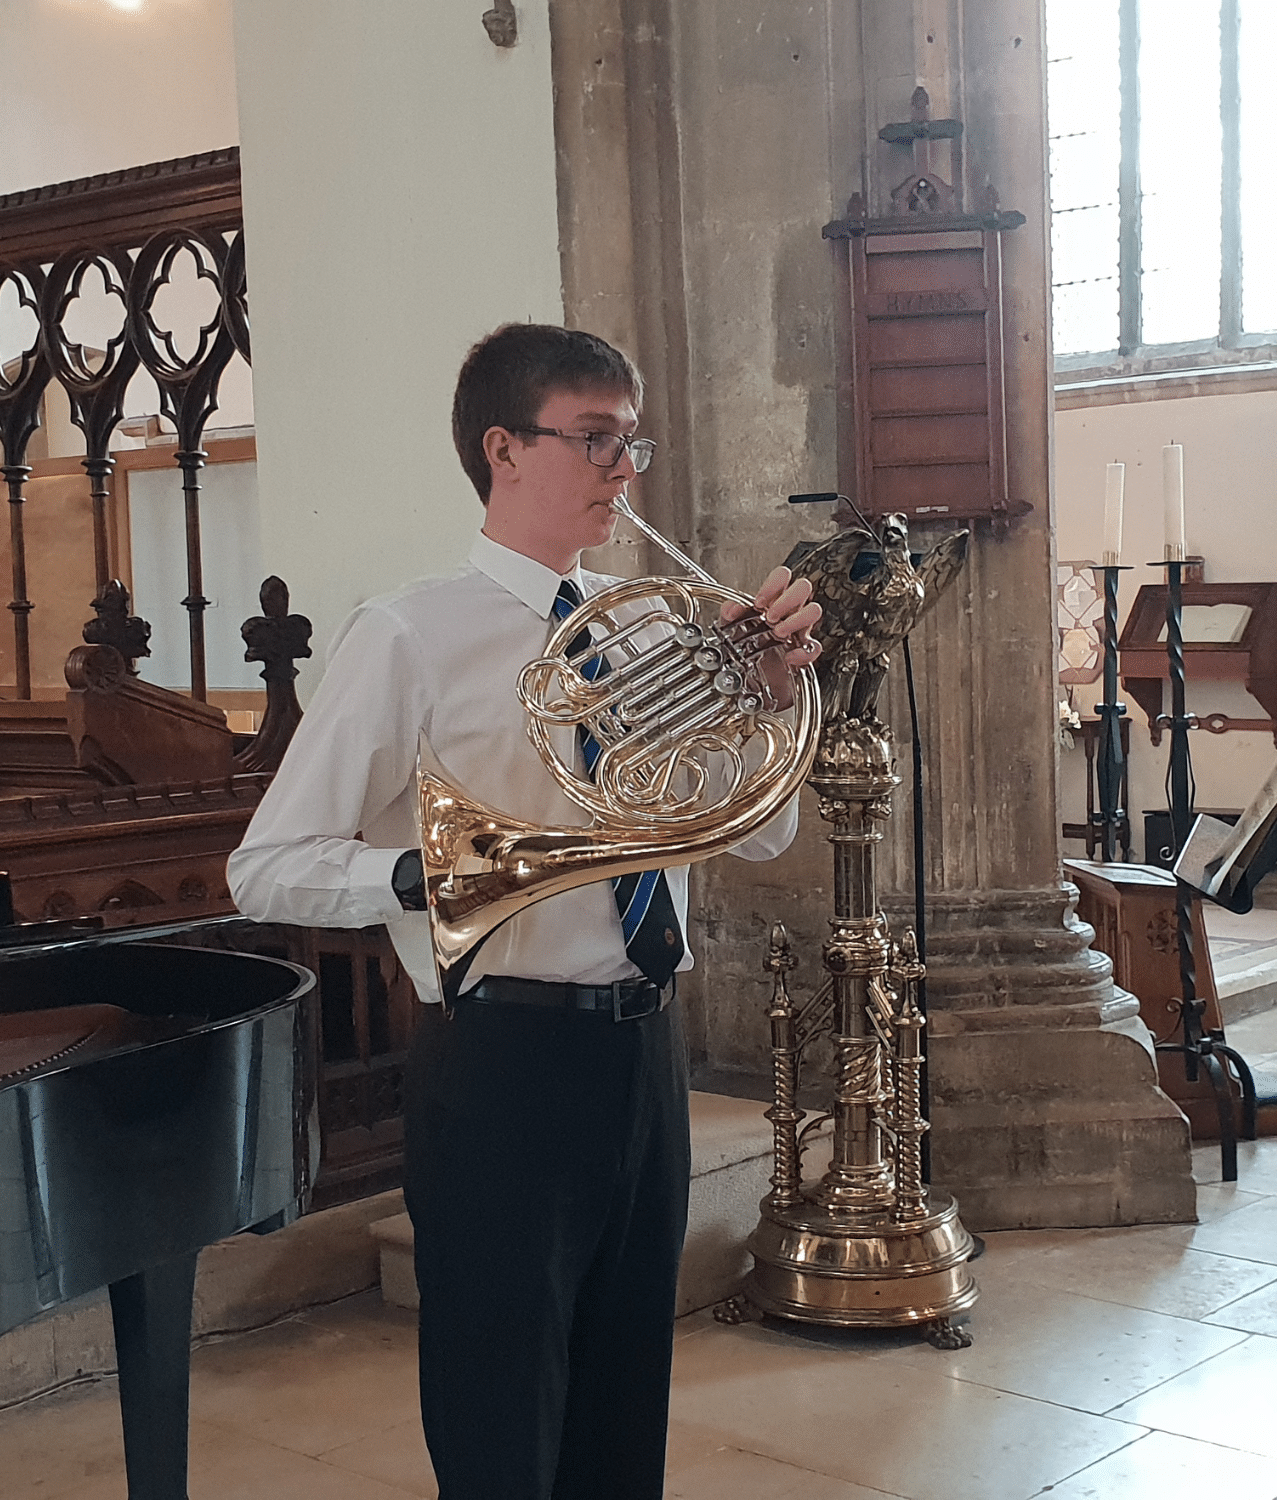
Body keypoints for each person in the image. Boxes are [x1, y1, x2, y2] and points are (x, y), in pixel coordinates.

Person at [227, 322, 822, 1500]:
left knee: (621, 1407)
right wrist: (426, 875)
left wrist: (762, 704)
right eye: (595, 439)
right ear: (503, 449)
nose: (623, 470)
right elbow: (266, 866)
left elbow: (756, 831)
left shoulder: (653, 624)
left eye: (629, 440)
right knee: (500, 1412)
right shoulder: (407, 633)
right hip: (498, 1057)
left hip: (644, 1051)